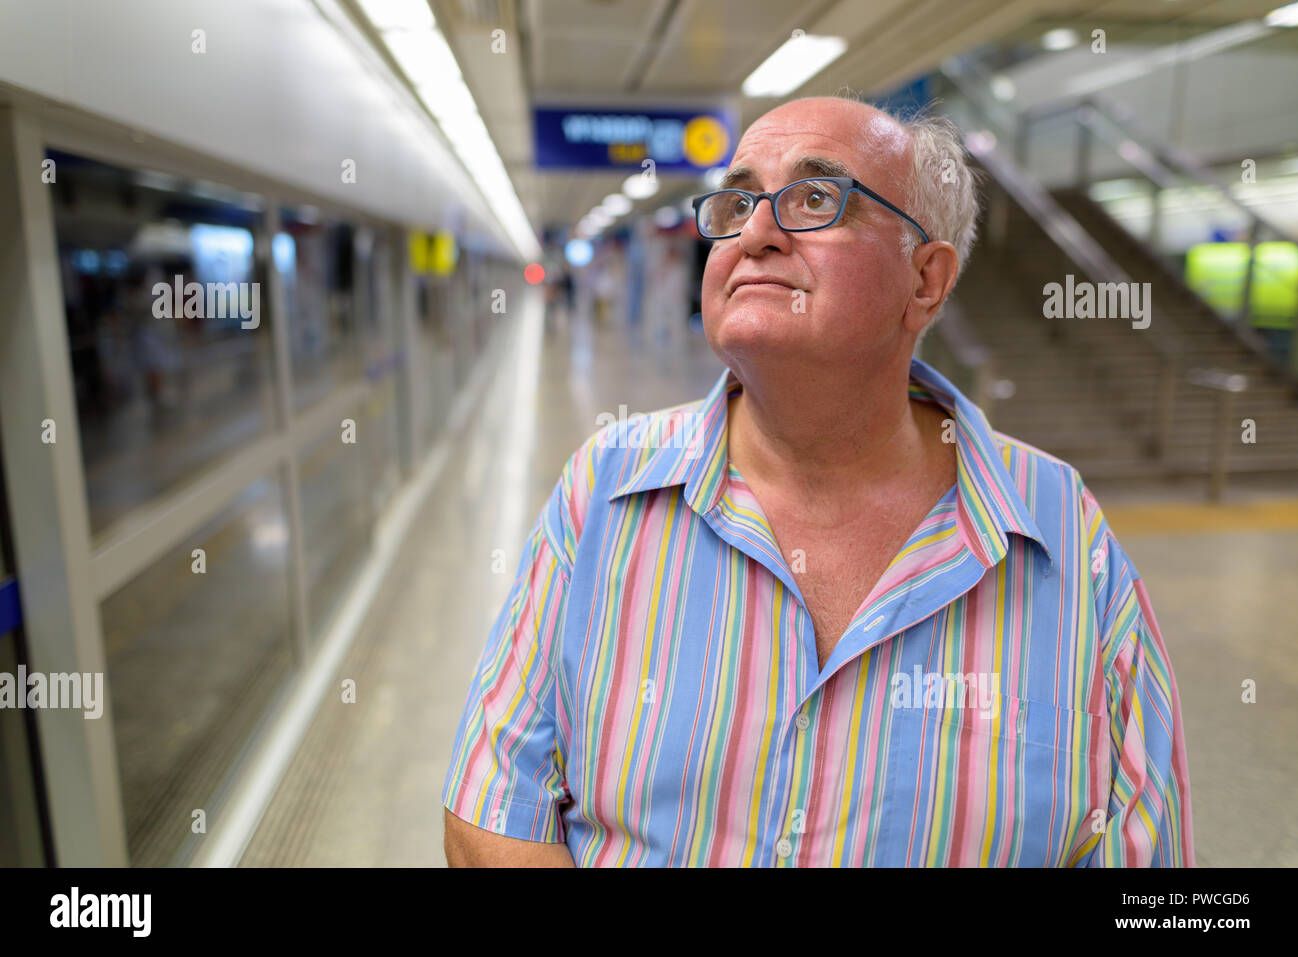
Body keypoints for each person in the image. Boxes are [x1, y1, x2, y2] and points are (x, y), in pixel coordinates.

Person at [441, 94, 1194, 867]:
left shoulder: (1063, 534)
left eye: (814, 198)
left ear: (926, 281)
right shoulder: (603, 491)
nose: (756, 232)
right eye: (736, 203)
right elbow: (493, 808)